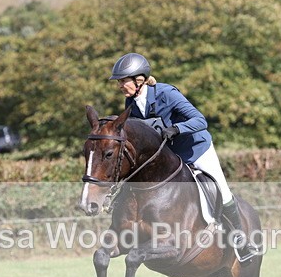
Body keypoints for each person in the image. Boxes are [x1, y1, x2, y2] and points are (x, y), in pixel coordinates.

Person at [109, 52, 258, 262]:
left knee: (222, 191)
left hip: (196, 149)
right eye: (119, 82)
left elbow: (200, 120)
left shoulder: (166, 93)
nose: (120, 86)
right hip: (171, 157)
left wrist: (177, 129)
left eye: (122, 81)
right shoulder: (130, 104)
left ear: (139, 79)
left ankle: (241, 241)